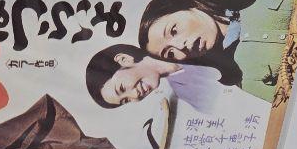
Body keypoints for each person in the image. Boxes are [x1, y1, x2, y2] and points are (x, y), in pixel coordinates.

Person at [137, 0, 294, 104]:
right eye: (170, 54)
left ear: (187, 5)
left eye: (174, 30)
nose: (180, 46)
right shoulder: (246, 80)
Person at [84, 44, 223, 113]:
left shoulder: (176, 40)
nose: (135, 96)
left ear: (124, 59)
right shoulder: (186, 96)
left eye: (122, 88)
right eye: (126, 100)